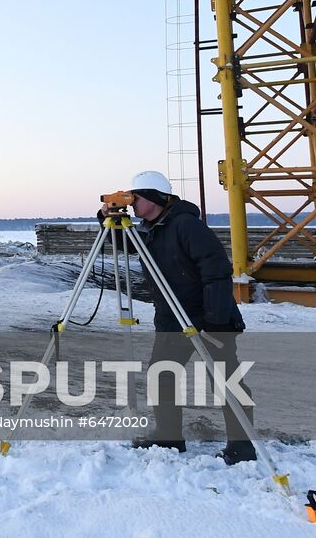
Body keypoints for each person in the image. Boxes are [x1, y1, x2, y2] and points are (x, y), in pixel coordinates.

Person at [103, 170, 257, 466]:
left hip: (210, 319)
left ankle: (243, 446)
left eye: (135, 197)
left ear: (153, 198)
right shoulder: (151, 228)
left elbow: (216, 272)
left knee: (227, 382)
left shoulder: (186, 226)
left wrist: (215, 321)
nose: (131, 203)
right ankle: (168, 436)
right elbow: (123, 244)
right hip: (173, 319)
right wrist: (107, 218)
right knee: (162, 376)